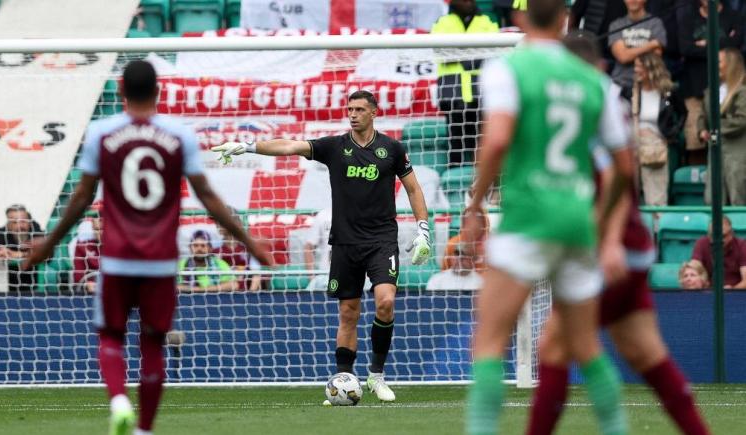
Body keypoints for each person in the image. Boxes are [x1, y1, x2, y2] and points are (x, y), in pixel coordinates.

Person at [22, 60, 272, 435]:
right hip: (160, 261)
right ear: (158, 92)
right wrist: (249, 241)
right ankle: (143, 429)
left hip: (118, 258)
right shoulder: (179, 135)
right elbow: (207, 197)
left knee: (110, 335)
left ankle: (119, 401)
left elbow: (81, 198)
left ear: (121, 92)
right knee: (153, 344)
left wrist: (49, 244)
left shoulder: (101, 132)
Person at [461, 3, 635, 433]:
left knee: (487, 343)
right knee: (588, 349)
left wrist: (475, 204)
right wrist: (599, 216)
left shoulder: (509, 70)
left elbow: (498, 139)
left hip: (527, 220)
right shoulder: (594, 80)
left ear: (520, 21)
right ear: (565, 19)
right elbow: (624, 168)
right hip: (576, 220)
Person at [526, 31, 710, 435]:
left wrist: (605, 242)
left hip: (609, 250)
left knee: (555, 348)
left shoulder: (585, 109)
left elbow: (614, 176)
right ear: (601, 65)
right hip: (634, 246)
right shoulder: (609, 103)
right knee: (646, 354)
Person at [212, 90, 432, 403]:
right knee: (348, 312)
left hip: (382, 240)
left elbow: (413, 188)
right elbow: (289, 145)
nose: (352, 114)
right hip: (345, 242)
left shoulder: (392, 149)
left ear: (373, 112)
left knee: (385, 302)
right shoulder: (334, 146)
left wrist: (423, 229)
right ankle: (343, 379)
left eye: (359, 109)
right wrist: (247, 146)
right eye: (349, 109)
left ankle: (377, 376)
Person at [431, 0, 500, 167]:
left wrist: (460, 54)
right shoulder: (442, 22)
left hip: (480, 93)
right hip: (452, 93)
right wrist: (474, 55)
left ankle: (484, 184)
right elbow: (440, 51)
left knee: (483, 142)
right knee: (456, 144)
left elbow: (495, 51)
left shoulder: (487, 22)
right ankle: (455, 187)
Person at [677, 0, 744, 164]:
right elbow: (685, 48)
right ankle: (701, 185)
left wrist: (703, 44)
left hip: (728, 89)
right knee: (696, 142)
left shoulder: (733, 16)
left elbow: (735, 45)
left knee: (724, 138)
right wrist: (720, 45)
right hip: (695, 89)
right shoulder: (688, 18)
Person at [631, 52, 686, 205]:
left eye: (639, 67)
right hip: (633, 146)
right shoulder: (632, 90)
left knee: (656, 197)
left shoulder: (668, 92)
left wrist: (671, 133)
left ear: (651, 69)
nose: (636, 70)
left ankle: (656, 228)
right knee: (631, 195)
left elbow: (683, 113)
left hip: (655, 147)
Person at [699, 48, 746, 205]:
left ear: (730, 64)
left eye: (718, 61)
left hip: (737, 154)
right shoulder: (710, 91)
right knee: (713, 197)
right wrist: (702, 130)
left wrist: (715, 129)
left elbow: (742, 119)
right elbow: (702, 117)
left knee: (738, 195)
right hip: (715, 151)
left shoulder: (742, 91)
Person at [608, 0, 667, 93]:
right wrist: (651, 44)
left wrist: (628, 51)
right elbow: (623, 57)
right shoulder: (616, 25)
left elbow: (656, 55)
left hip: (648, 85)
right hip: (620, 84)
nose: (633, 0)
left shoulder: (656, 23)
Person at [0, 204, 43, 294]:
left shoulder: (36, 231)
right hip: (9, 284)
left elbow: (48, 253)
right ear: (8, 225)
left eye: (23, 221)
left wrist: (18, 254)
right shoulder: (1, 234)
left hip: (33, 282)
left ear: (29, 221)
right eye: (14, 222)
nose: (20, 226)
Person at [691, 216, 746, 288]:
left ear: (731, 234)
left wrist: (733, 289)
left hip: (737, 293)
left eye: (723, 236)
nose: (717, 240)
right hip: (707, 292)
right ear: (708, 234)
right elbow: (693, 269)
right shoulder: (701, 243)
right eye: (713, 236)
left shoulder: (742, 246)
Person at [214, 211, 262, 291]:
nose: (218, 226)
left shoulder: (248, 248)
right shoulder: (214, 248)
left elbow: (256, 274)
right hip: (220, 294)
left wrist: (250, 293)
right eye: (217, 223)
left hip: (243, 295)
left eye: (221, 222)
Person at [72, 217, 101, 294]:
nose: (101, 233)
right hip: (92, 290)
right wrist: (86, 283)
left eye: (104, 229)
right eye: (97, 229)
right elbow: (78, 274)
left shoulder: (121, 244)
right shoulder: (83, 245)